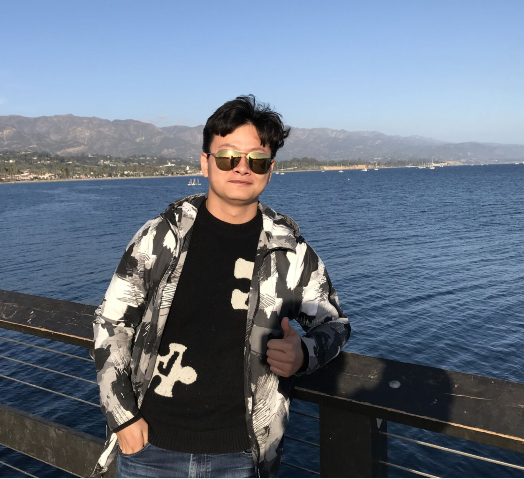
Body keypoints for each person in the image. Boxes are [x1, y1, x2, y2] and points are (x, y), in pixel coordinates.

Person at [92, 95, 350, 478]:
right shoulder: (161, 237)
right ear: (205, 162)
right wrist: (122, 417)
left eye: (256, 160)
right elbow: (112, 322)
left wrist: (304, 354)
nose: (242, 168)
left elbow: (336, 324)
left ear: (270, 169)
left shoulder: (289, 252)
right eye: (228, 156)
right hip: (151, 449)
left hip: (244, 457)